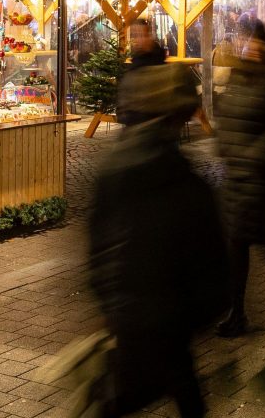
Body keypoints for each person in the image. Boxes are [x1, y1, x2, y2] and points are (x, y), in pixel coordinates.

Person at [89, 65, 229, 418]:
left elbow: (99, 243)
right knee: (167, 388)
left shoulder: (117, 166)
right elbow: (212, 264)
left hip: (133, 312)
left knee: (142, 389)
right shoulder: (187, 182)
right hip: (167, 316)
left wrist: (108, 302)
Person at [213, 20, 265, 337]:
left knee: (238, 240)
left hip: (258, 175)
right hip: (234, 173)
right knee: (235, 242)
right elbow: (225, 117)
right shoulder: (237, 77)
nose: (251, 47)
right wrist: (225, 146)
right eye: (247, 41)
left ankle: (237, 309)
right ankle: (235, 307)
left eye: (257, 42)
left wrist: (253, 156)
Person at [117, 17, 198, 127]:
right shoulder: (133, 68)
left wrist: (172, 124)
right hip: (139, 136)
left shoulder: (162, 66)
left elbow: (187, 102)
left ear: (150, 36)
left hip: (162, 136)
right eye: (134, 36)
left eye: (142, 35)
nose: (137, 40)